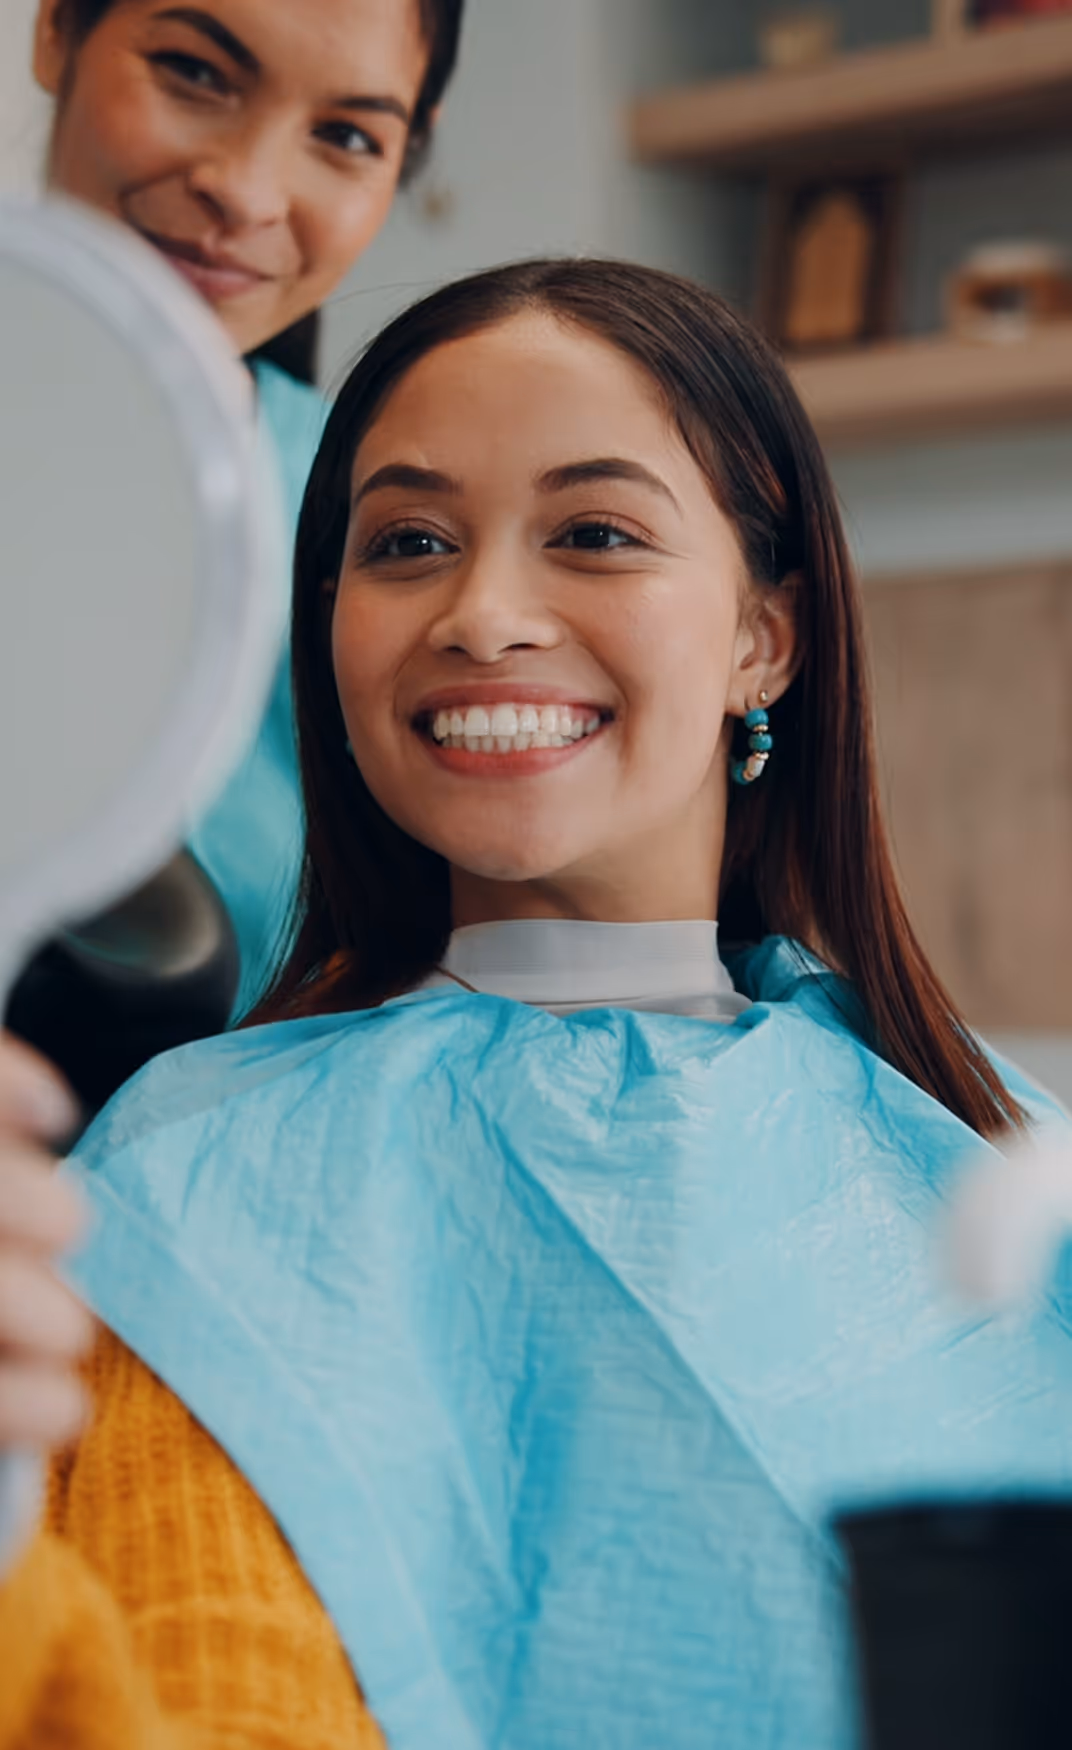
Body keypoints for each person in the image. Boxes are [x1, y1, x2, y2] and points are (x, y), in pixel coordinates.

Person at [2, 259, 1071, 1749]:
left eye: (595, 532)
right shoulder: (190, 1184)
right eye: (410, 542)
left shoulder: (1004, 1167)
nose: (484, 612)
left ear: (766, 634)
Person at [8, 0, 466, 1063]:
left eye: (348, 136)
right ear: (52, 31)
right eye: (193, 73)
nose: (247, 190)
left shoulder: (387, 534)